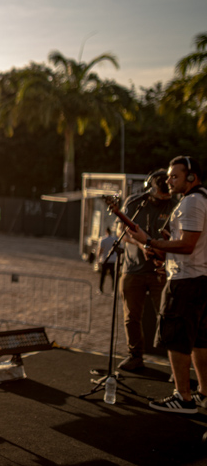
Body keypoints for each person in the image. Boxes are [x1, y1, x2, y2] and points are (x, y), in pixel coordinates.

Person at [126, 156, 207, 414]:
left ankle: (183, 397)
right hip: (199, 278)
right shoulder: (201, 199)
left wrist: (150, 242)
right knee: (199, 341)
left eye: (175, 176)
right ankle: (203, 394)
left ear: (192, 177)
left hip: (185, 281)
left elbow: (187, 244)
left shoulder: (192, 202)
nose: (168, 181)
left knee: (176, 339)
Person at [116, 169, 174, 371]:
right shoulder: (134, 203)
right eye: (160, 195)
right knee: (131, 317)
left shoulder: (175, 203)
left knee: (167, 317)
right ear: (150, 188)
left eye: (167, 196)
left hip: (163, 270)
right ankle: (135, 356)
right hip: (133, 269)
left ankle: (174, 365)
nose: (163, 199)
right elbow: (120, 232)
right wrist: (141, 245)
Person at [96, 226, 118, 293]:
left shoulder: (103, 240)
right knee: (113, 276)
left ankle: (101, 289)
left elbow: (100, 250)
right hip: (112, 260)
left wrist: (98, 259)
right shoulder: (114, 240)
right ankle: (113, 289)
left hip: (105, 260)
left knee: (103, 276)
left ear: (106, 232)